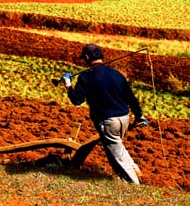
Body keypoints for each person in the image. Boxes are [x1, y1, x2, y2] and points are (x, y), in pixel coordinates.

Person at [63, 43, 148, 184]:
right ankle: (136, 171)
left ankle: (133, 184)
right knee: (118, 146)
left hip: (108, 121)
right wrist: (139, 116)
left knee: (115, 155)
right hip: (124, 118)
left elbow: (77, 100)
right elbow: (131, 98)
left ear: (86, 57)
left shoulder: (86, 77)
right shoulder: (117, 74)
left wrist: (68, 85)